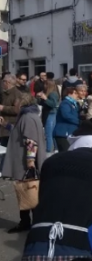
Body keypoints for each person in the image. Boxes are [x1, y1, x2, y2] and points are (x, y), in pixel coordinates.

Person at [1, 93, 46, 234]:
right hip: (25, 161)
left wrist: (30, 161)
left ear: (22, 103)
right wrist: (6, 125)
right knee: (27, 192)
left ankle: (33, 224)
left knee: (29, 192)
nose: (14, 105)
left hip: (25, 163)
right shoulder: (28, 116)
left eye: (15, 102)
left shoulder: (27, 117)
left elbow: (31, 141)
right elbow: (20, 133)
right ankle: (27, 222)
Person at [0, 74, 22, 172]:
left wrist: (3, 108)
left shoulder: (16, 94)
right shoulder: (4, 93)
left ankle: (8, 170)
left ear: (7, 83)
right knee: (4, 148)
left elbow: (17, 110)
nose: (2, 83)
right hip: (3, 124)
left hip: (10, 126)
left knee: (9, 149)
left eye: (3, 81)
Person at [53, 87, 80, 152]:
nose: (77, 95)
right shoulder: (65, 103)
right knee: (65, 153)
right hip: (63, 133)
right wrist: (78, 121)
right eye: (75, 93)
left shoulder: (73, 104)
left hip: (70, 133)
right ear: (69, 94)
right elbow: (66, 115)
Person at [37, 80, 60, 153]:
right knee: (52, 133)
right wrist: (39, 97)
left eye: (45, 84)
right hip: (49, 114)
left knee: (48, 133)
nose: (44, 86)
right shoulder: (48, 93)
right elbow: (41, 103)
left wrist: (45, 98)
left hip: (51, 114)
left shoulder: (53, 94)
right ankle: (55, 148)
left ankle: (48, 150)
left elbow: (53, 104)